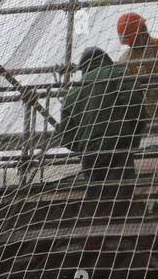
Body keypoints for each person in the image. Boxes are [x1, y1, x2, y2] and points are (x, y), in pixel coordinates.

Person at [55, 47, 146, 195]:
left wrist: (83, 145)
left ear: (83, 66)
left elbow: (66, 135)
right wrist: (132, 134)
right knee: (120, 198)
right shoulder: (118, 74)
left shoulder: (74, 90)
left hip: (90, 152)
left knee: (96, 199)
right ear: (105, 59)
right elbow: (135, 104)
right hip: (117, 144)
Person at [115, 12, 158, 125]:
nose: (131, 44)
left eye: (134, 39)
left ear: (144, 29)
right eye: (128, 42)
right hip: (144, 123)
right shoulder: (124, 61)